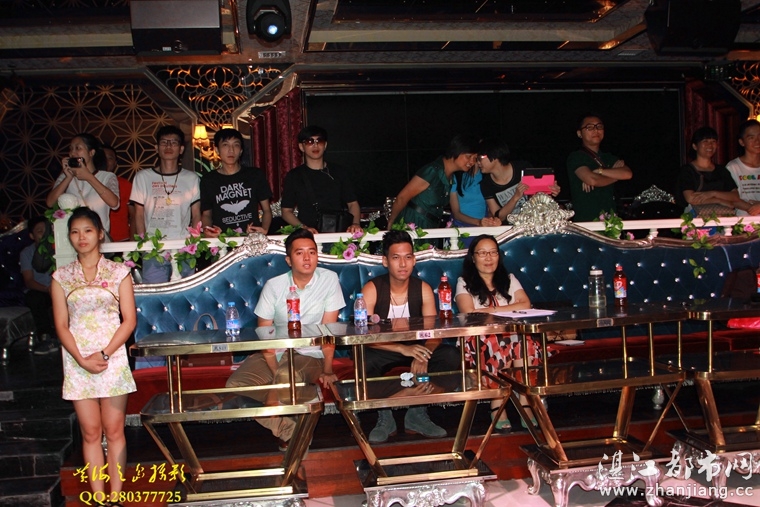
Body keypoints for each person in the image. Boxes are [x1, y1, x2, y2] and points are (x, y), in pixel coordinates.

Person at [226, 228, 344, 451]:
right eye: (300, 253)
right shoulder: (274, 286)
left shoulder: (329, 279)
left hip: (310, 354)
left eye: (312, 252)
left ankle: (290, 426)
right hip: (275, 352)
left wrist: (328, 369)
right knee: (235, 384)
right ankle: (292, 426)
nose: (307, 258)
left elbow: (329, 331)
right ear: (289, 260)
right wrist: (276, 377)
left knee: (286, 376)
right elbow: (264, 334)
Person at [49, 207, 136, 506]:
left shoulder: (118, 272)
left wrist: (105, 353)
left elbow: (129, 321)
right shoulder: (61, 277)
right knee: (90, 432)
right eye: (75, 232)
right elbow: (61, 325)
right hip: (77, 360)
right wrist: (81, 358)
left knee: (114, 430)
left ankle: (116, 498)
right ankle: (98, 499)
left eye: (87, 230)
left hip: (112, 357)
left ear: (100, 234)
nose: (81, 237)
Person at [360, 231, 459, 443]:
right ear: (385, 261)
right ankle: (385, 414)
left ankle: (418, 412)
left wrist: (424, 354)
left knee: (451, 355)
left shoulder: (422, 289)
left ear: (414, 260)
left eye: (408, 257)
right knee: (364, 360)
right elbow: (364, 335)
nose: (403, 264)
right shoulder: (372, 289)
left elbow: (434, 333)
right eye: (396, 257)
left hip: (417, 347)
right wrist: (402, 349)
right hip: (385, 348)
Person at [455, 234, 539, 431]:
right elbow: (469, 313)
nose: (489, 258)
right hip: (478, 337)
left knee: (523, 342)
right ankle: (497, 402)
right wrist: (508, 309)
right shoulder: (463, 282)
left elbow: (526, 304)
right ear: (473, 257)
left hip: (511, 334)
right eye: (482, 253)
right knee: (501, 342)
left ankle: (525, 399)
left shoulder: (509, 279)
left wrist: (489, 310)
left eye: (493, 252)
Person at [129, 125, 201, 283]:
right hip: (153, 249)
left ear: (181, 149)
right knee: (155, 292)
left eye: (174, 142)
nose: (169, 146)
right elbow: (138, 214)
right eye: (164, 142)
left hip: (183, 248)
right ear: (156, 148)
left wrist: (193, 243)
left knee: (185, 292)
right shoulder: (143, 177)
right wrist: (144, 244)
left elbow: (196, 214)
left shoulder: (191, 178)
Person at [281, 126, 361, 235]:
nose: (315, 145)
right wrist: (303, 228)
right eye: (310, 141)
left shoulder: (339, 172)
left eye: (319, 141)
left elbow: (353, 203)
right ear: (301, 146)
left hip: (338, 233)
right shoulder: (294, 176)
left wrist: (355, 224)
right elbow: (286, 211)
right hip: (308, 236)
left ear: (325, 145)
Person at [388, 134, 479, 230]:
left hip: (430, 226)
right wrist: (392, 222)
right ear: (456, 151)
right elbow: (402, 198)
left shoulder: (451, 176)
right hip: (413, 223)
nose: (472, 161)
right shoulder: (432, 171)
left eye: (475, 158)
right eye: (469, 156)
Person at [200, 128, 273, 236]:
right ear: (217, 150)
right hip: (222, 239)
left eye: (236, 145)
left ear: (241, 150)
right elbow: (206, 214)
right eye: (225, 145)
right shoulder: (208, 180)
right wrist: (208, 232)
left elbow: (267, 210)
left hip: (251, 237)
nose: (231, 150)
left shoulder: (255, 175)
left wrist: (264, 229)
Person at [46, 133, 120, 234]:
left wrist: (89, 177)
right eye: (71, 149)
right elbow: (50, 203)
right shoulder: (65, 176)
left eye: (78, 148)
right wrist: (68, 177)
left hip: (98, 235)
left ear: (91, 152)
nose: (73, 152)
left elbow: (114, 204)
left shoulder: (107, 177)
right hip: (73, 236)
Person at [478, 138, 561, 224]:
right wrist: (515, 197)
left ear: (494, 155)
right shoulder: (486, 184)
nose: (478, 162)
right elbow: (499, 217)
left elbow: (539, 196)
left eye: (480, 158)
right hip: (510, 227)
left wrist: (551, 190)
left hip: (533, 223)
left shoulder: (522, 168)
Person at [566, 114, 632, 221]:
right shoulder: (577, 157)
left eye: (599, 126)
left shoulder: (608, 157)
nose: (596, 130)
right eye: (589, 127)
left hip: (610, 219)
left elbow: (627, 173)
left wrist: (600, 171)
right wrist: (615, 176)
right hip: (586, 220)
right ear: (579, 133)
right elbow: (592, 179)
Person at [677, 126, 751, 217]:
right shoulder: (687, 170)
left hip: (722, 217)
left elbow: (735, 196)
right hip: (697, 219)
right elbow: (691, 198)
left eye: (713, 141)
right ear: (695, 146)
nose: (710, 145)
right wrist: (718, 200)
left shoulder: (721, 170)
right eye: (705, 141)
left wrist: (712, 194)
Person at [19, 216, 59, 354]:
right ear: (32, 236)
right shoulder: (27, 253)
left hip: (60, 288)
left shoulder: (58, 248)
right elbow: (29, 281)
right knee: (34, 298)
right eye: (40, 231)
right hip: (42, 290)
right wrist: (47, 289)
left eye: (46, 231)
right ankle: (46, 338)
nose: (44, 234)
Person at [727, 119, 760, 216]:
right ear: (742, 142)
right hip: (744, 221)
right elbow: (730, 198)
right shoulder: (733, 167)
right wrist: (750, 208)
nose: (757, 141)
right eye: (751, 138)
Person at [101, 144, 133, 241]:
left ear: (115, 163)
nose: (105, 161)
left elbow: (134, 216)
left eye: (110, 158)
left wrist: (133, 242)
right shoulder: (88, 182)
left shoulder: (125, 184)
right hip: (95, 240)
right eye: (102, 157)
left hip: (121, 239)